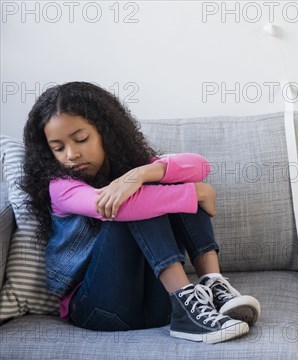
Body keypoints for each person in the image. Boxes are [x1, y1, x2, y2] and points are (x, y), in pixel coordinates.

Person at [21, 81, 260, 344]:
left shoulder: (130, 170)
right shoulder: (61, 187)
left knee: (160, 182)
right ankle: (186, 306)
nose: (71, 154)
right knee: (132, 204)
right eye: (58, 148)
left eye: (81, 139)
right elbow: (115, 207)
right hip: (98, 310)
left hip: (157, 307)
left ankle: (212, 286)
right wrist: (196, 193)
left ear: (105, 132)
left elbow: (199, 165)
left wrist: (140, 173)